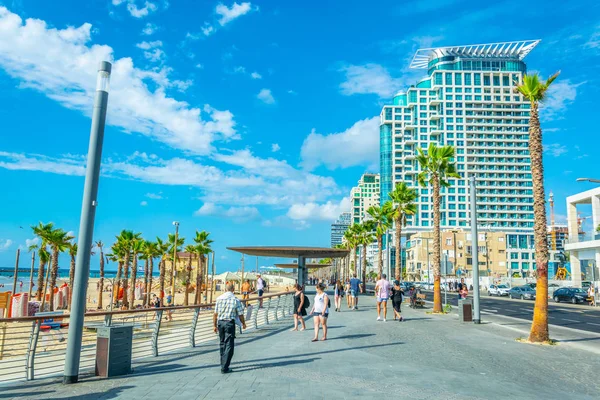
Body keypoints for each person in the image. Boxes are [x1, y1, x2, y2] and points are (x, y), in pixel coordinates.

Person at [213, 283, 246, 374]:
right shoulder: (235, 300)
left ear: (225, 289)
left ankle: (222, 363)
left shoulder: (219, 299)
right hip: (229, 323)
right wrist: (243, 323)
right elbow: (240, 314)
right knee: (229, 345)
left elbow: (215, 314)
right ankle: (225, 367)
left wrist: (214, 325)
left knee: (222, 343)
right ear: (233, 289)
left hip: (220, 323)